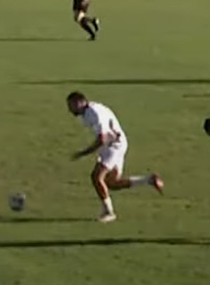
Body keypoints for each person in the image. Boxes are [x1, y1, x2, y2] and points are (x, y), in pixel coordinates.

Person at [67, 92, 164, 223]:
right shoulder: (88, 112)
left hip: (114, 146)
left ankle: (109, 212)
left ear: (79, 103)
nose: (70, 110)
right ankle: (149, 180)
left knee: (97, 177)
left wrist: (84, 153)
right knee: (112, 183)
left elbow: (102, 138)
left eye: (71, 106)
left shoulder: (94, 113)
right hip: (113, 144)